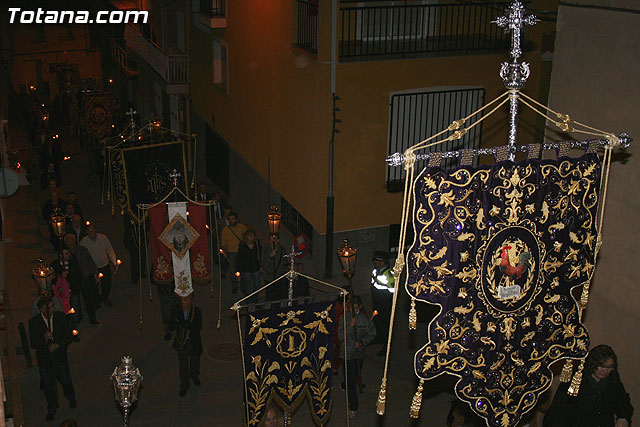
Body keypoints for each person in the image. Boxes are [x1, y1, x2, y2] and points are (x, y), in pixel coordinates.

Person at [544, 344, 633, 427]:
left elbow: (623, 401)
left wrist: (623, 417)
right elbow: (558, 411)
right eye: (601, 366)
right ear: (593, 364)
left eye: (609, 367)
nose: (605, 371)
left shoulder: (612, 379)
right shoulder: (575, 380)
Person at [29, 297, 77, 422]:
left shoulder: (60, 317)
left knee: (66, 380)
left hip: (59, 357)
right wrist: (45, 338)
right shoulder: (34, 322)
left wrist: (58, 345)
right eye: (50, 307)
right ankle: (52, 407)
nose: (53, 309)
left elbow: (68, 336)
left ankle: (71, 397)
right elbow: (33, 342)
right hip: (45, 360)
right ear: (42, 310)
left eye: (53, 306)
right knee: (48, 385)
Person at [338, 294, 376, 419]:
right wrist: (349, 326)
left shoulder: (365, 319)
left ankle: (347, 384)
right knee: (351, 380)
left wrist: (362, 343)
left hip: (359, 354)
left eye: (355, 307)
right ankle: (353, 406)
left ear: (359, 307)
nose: (352, 310)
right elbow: (340, 337)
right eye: (350, 307)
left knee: (354, 376)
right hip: (346, 354)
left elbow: (372, 333)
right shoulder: (344, 318)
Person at [169, 291, 203, 397]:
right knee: (183, 366)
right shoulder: (176, 310)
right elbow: (171, 326)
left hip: (193, 342)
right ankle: (184, 385)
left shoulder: (196, 311)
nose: (186, 302)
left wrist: (187, 324)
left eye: (188, 300)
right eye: (183, 300)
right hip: (181, 342)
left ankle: (194, 376)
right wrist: (176, 322)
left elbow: (198, 327)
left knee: (195, 362)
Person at [80, 224, 117, 308]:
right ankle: (97, 301)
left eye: (93, 230)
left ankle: (104, 297)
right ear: (87, 232)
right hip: (92, 268)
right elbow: (82, 256)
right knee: (94, 285)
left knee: (107, 283)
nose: (92, 233)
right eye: (89, 231)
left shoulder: (103, 238)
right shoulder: (84, 242)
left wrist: (114, 262)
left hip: (104, 265)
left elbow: (110, 250)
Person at [65, 234, 99, 325]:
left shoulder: (82, 250)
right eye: (68, 241)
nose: (71, 243)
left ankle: (92, 318)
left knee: (88, 300)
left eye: (72, 240)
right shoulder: (66, 253)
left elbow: (90, 261)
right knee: (75, 302)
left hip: (85, 278)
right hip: (73, 281)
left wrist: (95, 273)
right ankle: (78, 317)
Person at [370, 251, 395, 356]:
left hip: (385, 304)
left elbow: (393, 292)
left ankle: (386, 347)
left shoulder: (389, 275)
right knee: (377, 321)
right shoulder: (375, 270)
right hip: (376, 301)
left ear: (383, 262)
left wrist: (387, 304)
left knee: (385, 326)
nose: (375, 262)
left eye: (377, 260)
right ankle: (379, 338)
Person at [220, 212, 247, 294]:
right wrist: (225, 252)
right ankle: (234, 286)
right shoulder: (225, 230)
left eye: (233, 219)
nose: (231, 221)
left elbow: (247, 238)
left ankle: (243, 286)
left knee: (243, 270)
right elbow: (224, 243)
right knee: (233, 272)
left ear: (236, 219)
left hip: (241, 253)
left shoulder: (242, 228)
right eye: (230, 219)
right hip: (231, 254)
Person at [236, 229, 262, 301]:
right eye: (250, 236)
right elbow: (239, 259)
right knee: (247, 287)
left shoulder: (257, 244)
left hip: (255, 268)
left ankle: (255, 300)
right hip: (246, 269)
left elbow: (260, 255)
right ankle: (249, 301)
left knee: (257, 286)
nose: (252, 238)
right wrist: (238, 271)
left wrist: (260, 265)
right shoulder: (242, 247)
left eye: (253, 236)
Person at [262, 233, 288, 301]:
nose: (272, 242)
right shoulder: (265, 250)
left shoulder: (282, 250)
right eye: (270, 240)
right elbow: (263, 264)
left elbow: (285, 263)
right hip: (269, 278)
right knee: (270, 297)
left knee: (280, 297)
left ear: (278, 240)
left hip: (280, 278)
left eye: (274, 239)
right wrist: (270, 256)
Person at [123, 214, 146, 284]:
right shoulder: (128, 216)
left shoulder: (141, 214)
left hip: (141, 239)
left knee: (142, 257)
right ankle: (135, 276)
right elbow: (127, 227)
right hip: (132, 242)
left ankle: (141, 272)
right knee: (135, 259)